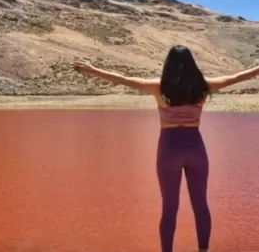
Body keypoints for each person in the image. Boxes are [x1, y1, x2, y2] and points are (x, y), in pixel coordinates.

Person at [73, 45, 259, 252]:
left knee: (169, 208)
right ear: (192, 64)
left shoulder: (159, 87)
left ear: (168, 64)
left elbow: (124, 80)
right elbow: (236, 78)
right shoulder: (203, 87)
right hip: (195, 148)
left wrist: (93, 69)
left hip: (169, 149)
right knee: (201, 205)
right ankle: (203, 250)